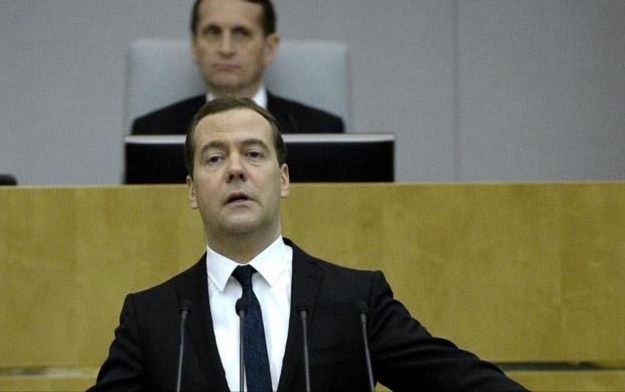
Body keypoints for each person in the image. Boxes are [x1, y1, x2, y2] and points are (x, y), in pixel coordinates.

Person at [91, 97, 527, 392]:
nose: (236, 170)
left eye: (254, 154)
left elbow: (459, 381)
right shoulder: (151, 318)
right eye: (215, 158)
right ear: (191, 190)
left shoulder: (356, 301)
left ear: (283, 180)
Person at [130, 0, 345, 135]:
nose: (226, 49)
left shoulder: (322, 130)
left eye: (241, 33)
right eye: (213, 32)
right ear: (194, 46)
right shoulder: (152, 131)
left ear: (269, 49)